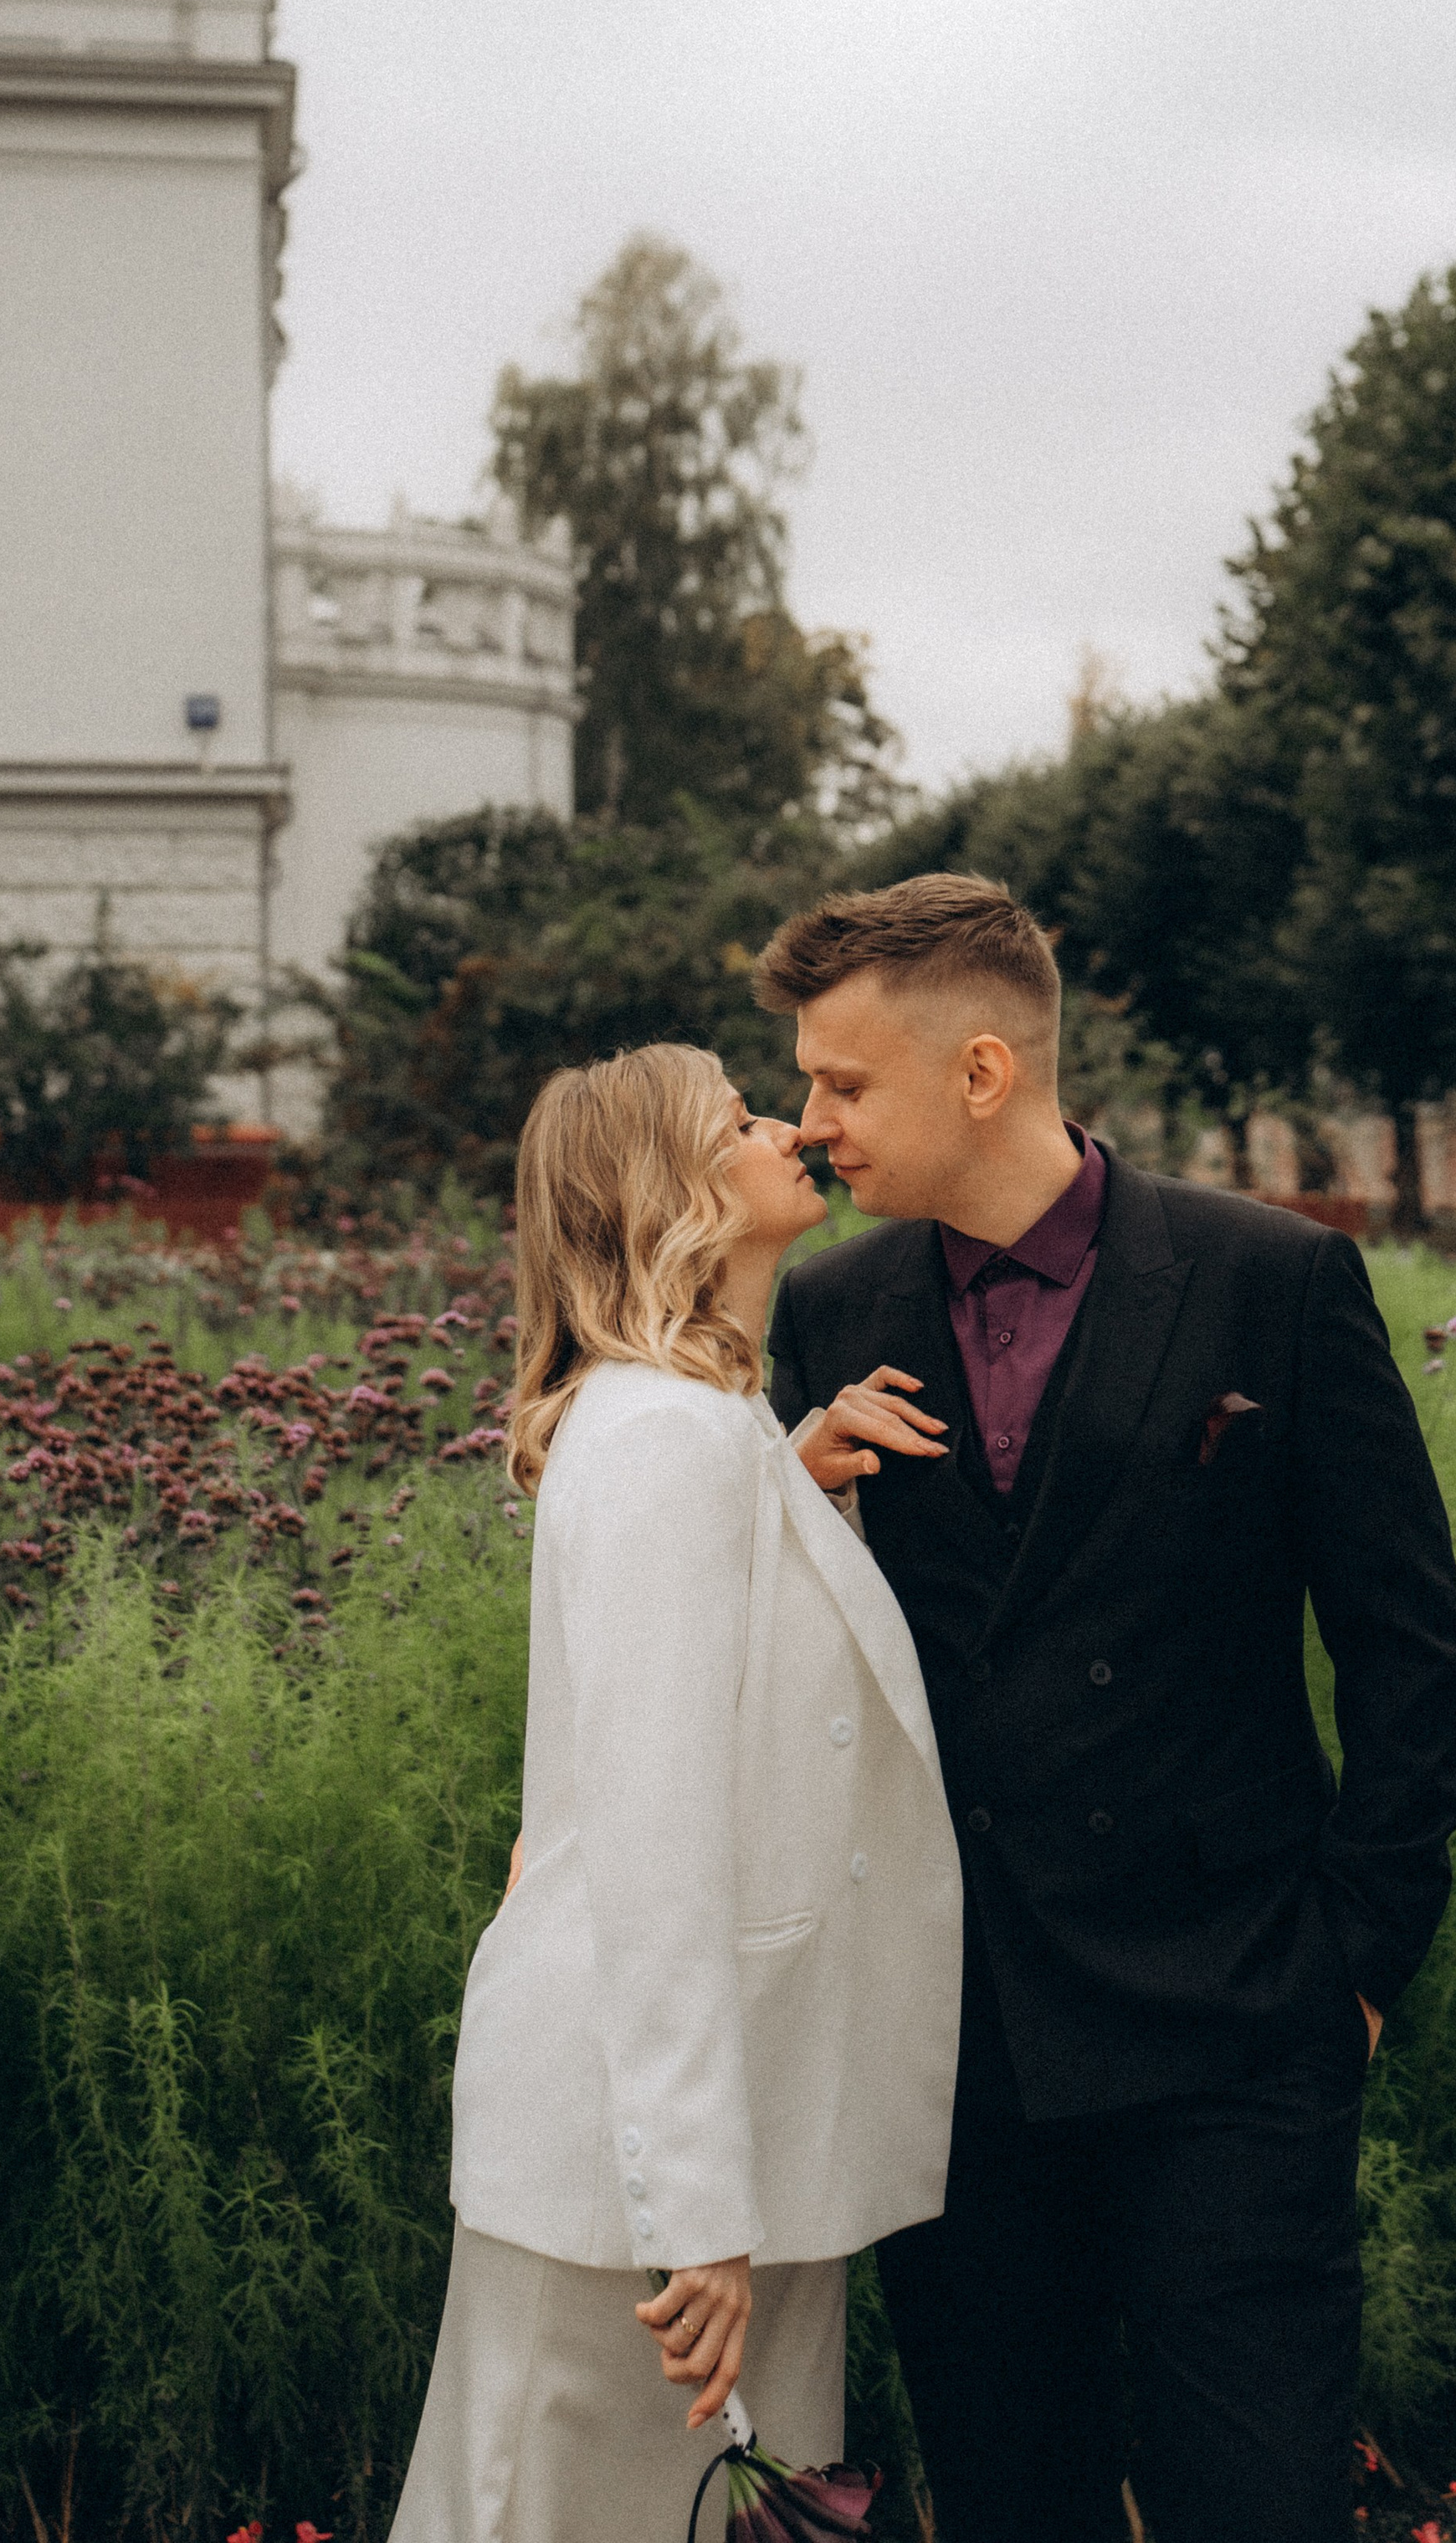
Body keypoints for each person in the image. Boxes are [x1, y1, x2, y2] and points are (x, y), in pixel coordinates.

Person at [757, 873, 1456, 2543]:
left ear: (982, 1071)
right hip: (959, 2047)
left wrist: (1355, 1970)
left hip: (1236, 2027)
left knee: (1258, 2506)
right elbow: (791, 1679)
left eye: (842, 1084)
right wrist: (792, 1489)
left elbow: (1406, 1646)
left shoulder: (1271, 1280)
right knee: (1015, 2507)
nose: (808, 1124)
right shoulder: (827, 1311)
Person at [391, 1042, 963, 2543]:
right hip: (645, 2187)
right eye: (739, 1117)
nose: (788, 1128)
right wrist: (697, 2213)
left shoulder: (708, 1428)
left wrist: (793, 1479)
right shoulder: (662, 1440)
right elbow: (653, 1850)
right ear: (671, 1191)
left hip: (730, 2139)